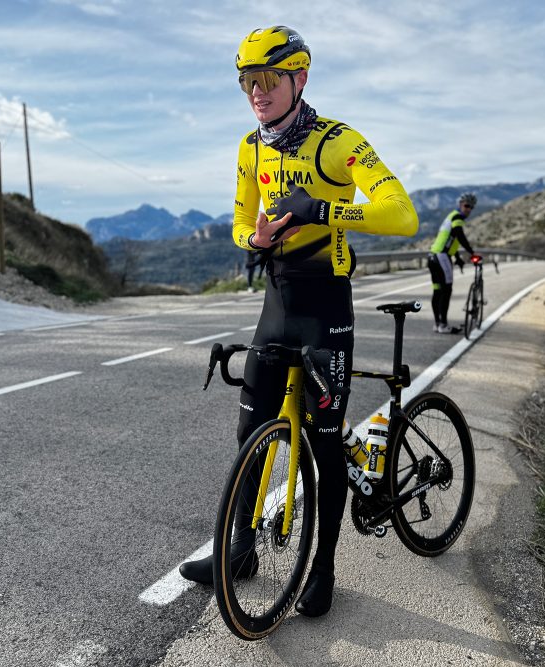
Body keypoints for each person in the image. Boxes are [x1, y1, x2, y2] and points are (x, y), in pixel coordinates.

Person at [178, 25, 418, 618]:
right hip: (277, 303)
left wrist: (323, 208)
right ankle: (239, 552)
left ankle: (324, 567)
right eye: (246, 81)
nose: (255, 91)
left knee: (324, 444)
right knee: (248, 433)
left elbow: (402, 214)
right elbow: (240, 220)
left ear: (300, 78)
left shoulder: (339, 142)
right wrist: (252, 237)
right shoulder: (249, 148)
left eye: (267, 79)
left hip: (325, 308)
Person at [427, 193, 480, 334]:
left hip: (433, 256)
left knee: (438, 290)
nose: (468, 209)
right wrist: (471, 252)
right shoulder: (457, 218)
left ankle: (438, 324)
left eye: (471, 207)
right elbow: (459, 235)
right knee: (446, 290)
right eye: (466, 205)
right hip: (442, 256)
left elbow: (450, 239)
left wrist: (457, 257)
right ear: (460, 204)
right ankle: (443, 325)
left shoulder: (451, 217)